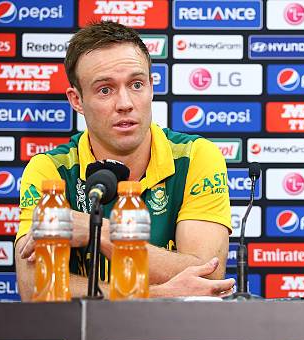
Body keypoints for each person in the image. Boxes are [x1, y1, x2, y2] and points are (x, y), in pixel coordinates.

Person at [15, 21, 235, 300]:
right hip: (83, 338)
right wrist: (156, 294)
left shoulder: (196, 156)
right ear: (77, 100)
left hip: (177, 336)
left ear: (152, 87)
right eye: (105, 90)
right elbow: (34, 286)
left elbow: (208, 275)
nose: (125, 103)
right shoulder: (49, 170)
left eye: (136, 84)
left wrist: (98, 231)